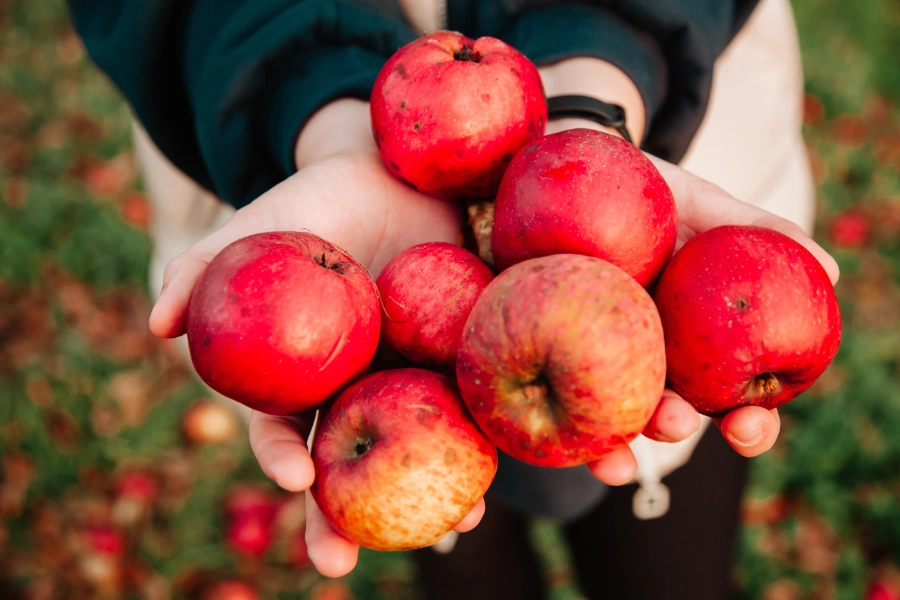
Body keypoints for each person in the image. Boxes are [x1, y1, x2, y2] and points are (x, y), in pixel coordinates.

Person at [68, 0, 839, 597]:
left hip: (655, 221)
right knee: (467, 564)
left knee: (664, 568)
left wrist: (589, 97)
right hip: (388, 357)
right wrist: (318, 111)